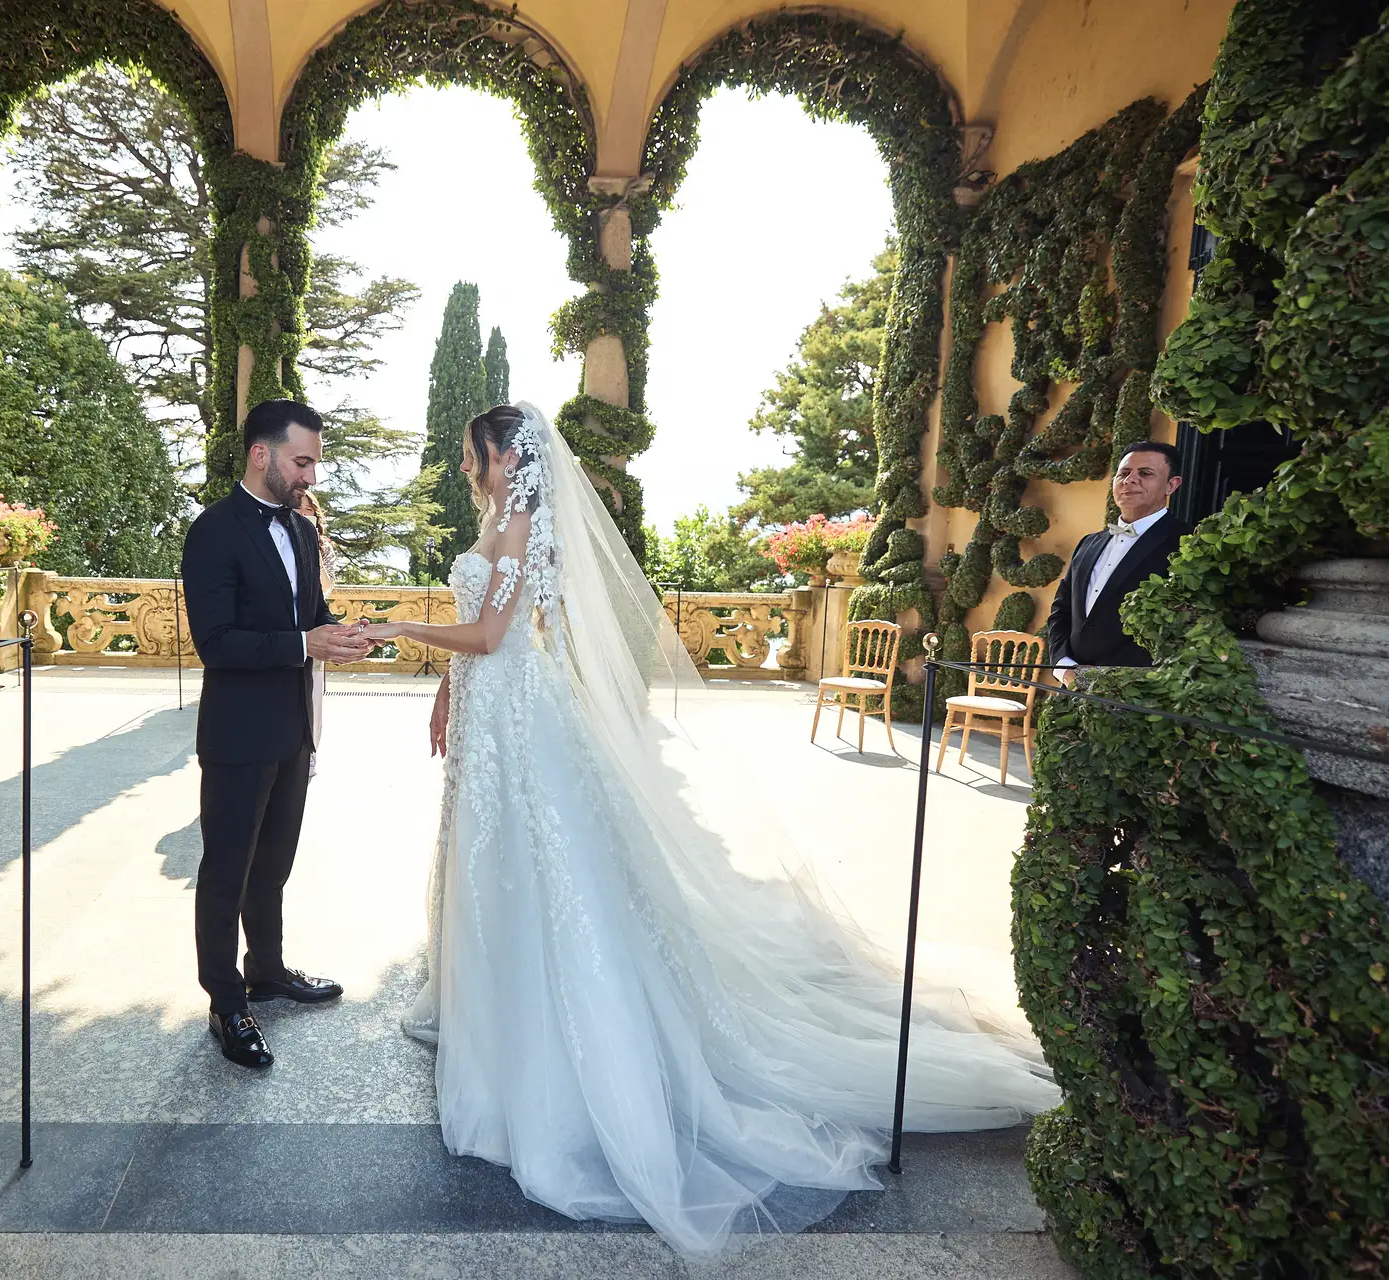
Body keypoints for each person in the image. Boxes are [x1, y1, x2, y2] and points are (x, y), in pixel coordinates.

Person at [358, 403, 1059, 1257]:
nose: (469, 465)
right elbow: (493, 638)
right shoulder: (501, 521)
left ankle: (546, 1050)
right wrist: (447, 690)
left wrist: (397, 627)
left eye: (476, 453)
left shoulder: (521, 524)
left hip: (516, 718)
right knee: (495, 867)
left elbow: (492, 632)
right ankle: (494, 1015)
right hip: (490, 709)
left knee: (537, 868)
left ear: (505, 456)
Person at [180, 399, 372, 1069]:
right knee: (225, 872)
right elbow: (215, 642)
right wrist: (303, 643)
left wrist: (341, 635)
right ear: (261, 454)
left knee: (273, 867)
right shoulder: (212, 531)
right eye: (301, 461)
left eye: (314, 463)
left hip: (294, 730)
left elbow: (310, 615)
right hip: (237, 735)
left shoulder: (299, 531)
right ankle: (226, 1002)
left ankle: (267, 970)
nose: (310, 476)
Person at [1047, 440, 1190, 686]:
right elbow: (1061, 612)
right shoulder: (1088, 543)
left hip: (1137, 693)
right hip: (1070, 689)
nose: (1130, 480)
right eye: (1123, 473)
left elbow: (1182, 628)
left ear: (1171, 485)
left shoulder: (1187, 545)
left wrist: (1112, 680)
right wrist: (1063, 667)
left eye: (1145, 473)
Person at [294, 491, 340, 777]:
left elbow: (327, 587)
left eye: (308, 510)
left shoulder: (324, 547)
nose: (302, 513)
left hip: (314, 626)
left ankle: (311, 752)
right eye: (298, 508)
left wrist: (313, 547)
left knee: (313, 691)